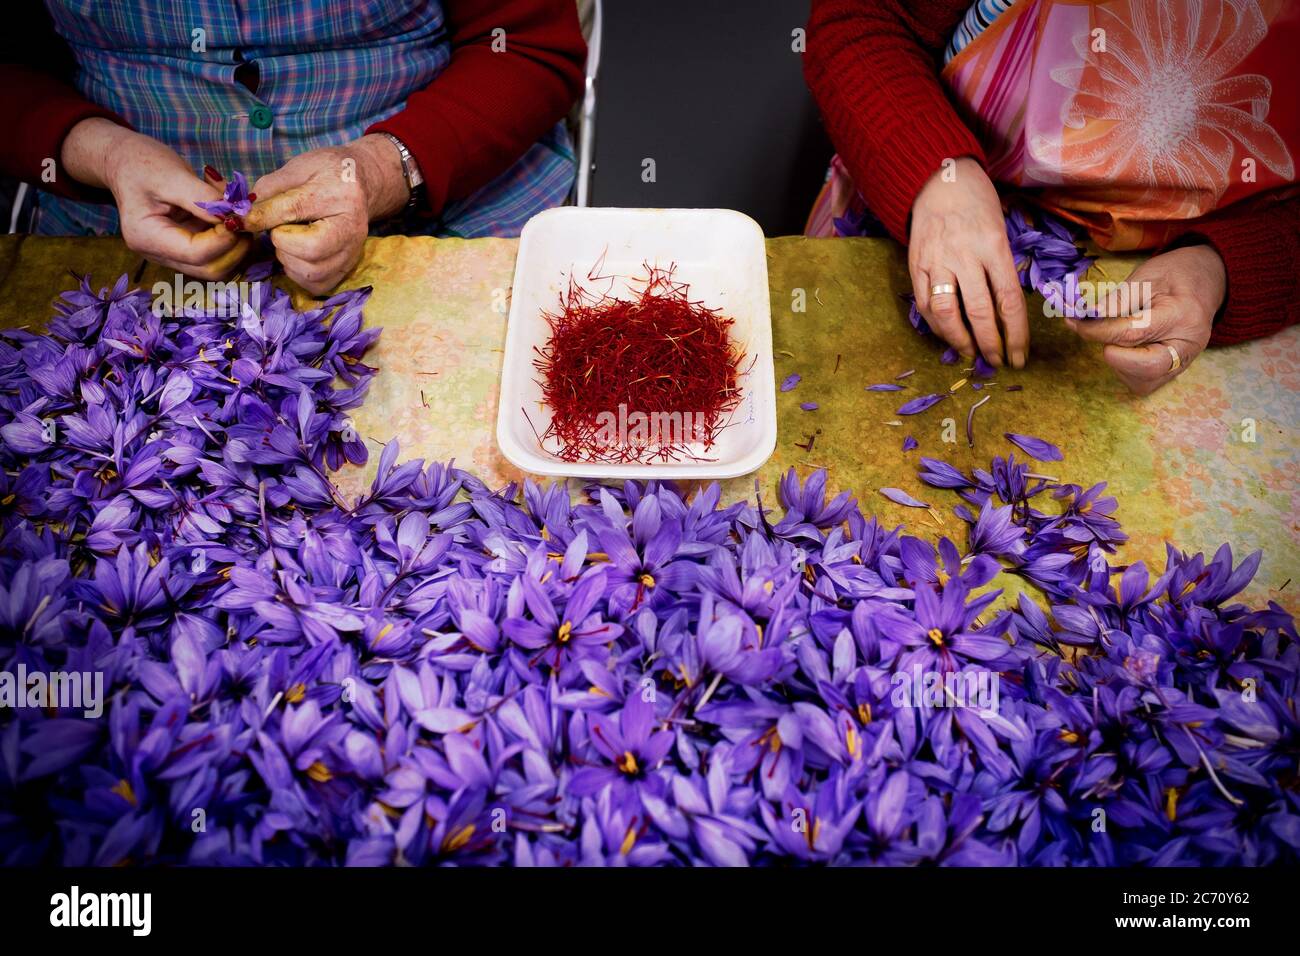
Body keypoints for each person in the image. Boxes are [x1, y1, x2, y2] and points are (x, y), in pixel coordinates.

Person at [804, 0, 1299, 394]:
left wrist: (1221, 269)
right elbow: (859, 19)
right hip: (934, 198)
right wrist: (939, 176)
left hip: (1183, 284)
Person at [1, 0, 586, 294]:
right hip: (115, 234)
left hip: (455, 207)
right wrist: (103, 154)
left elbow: (525, 46)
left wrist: (384, 167)